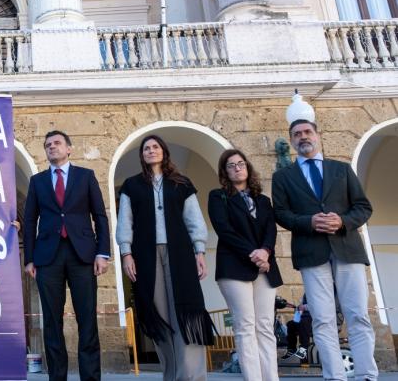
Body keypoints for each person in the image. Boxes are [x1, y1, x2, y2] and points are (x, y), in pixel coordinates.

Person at [273, 119, 377, 381]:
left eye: (308, 132)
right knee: (322, 319)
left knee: (358, 315)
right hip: (311, 253)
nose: (303, 137)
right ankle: (334, 376)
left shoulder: (341, 169)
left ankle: (366, 374)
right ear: (292, 140)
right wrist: (309, 222)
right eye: (297, 134)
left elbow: (363, 207)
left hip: (347, 248)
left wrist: (343, 221)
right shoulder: (283, 177)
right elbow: (282, 214)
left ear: (318, 135)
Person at [117, 135, 213, 381]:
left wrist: (199, 251)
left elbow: (194, 219)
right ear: (142, 155)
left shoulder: (181, 183)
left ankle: (192, 376)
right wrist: (126, 253)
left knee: (186, 312)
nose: (151, 151)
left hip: (180, 252)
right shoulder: (132, 185)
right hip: (145, 255)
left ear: (164, 151)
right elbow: (125, 222)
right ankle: (171, 375)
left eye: (155, 147)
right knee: (158, 314)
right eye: (146, 148)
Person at [23, 130, 110, 381]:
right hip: (47, 257)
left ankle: (90, 378)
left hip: (82, 255)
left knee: (87, 321)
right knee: (51, 322)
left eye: (57, 143)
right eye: (48, 144)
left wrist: (102, 253)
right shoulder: (37, 181)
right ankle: (57, 377)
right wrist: (29, 258)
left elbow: (100, 216)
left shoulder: (86, 176)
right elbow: (29, 221)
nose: (52, 147)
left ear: (69, 149)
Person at [208, 149, 282, 381]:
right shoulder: (218, 196)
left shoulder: (263, 200)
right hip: (234, 267)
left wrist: (266, 251)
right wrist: (253, 253)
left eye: (241, 163)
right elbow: (224, 230)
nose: (237, 168)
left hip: (265, 267)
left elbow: (271, 228)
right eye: (231, 165)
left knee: (265, 326)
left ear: (248, 167)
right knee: (245, 326)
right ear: (225, 172)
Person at [282, 294, 312, 361]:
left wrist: (304, 307)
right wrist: (298, 309)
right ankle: (292, 348)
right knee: (290, 324)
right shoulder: (306, 294)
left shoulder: (319, 293)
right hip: (304, 318)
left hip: (314, 320)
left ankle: (304, 347)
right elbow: (301, 305)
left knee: (303, 322)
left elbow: (319, 306)